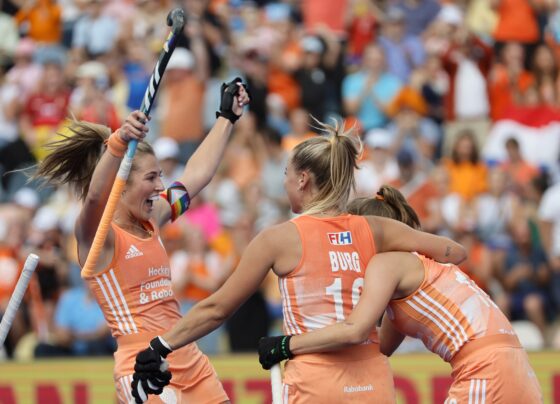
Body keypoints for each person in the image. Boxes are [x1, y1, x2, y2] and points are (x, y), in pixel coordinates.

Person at [131, 119, 467, 403]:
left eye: (287, 174)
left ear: (303, 179)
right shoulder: (376, 229)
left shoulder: (278, 239)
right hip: (373, 384)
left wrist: (161, 345)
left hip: (314, 384)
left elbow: (217, 309)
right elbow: (452, 252)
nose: (284, 181)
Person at [33, 77, 250, 404]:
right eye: (151, 177)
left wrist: (226, 118)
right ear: (121, 184)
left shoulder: (154, 218)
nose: (160, 186)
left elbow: (195, 176)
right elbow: (95, 198)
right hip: (142, 367)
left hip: (187, 357)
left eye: (160, 176)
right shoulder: (99, 236)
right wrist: (118, 142)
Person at [258, 185, 543, 404]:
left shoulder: (388, 264)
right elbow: (376, 347)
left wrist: (287, 344)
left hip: (485, 370)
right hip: (513, 365)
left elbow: (354, 331)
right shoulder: (410, 275)